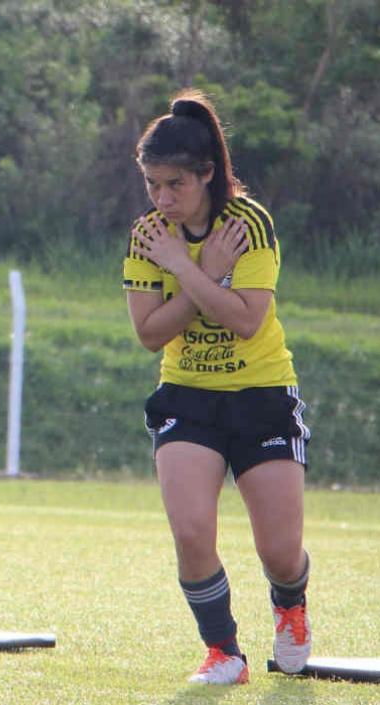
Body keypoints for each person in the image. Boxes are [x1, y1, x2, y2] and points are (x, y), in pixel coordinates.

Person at [124, 89, 312, 684]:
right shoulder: (148, 235)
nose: (162, 198)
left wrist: (182, 267)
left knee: (280, 554)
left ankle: (290, 609)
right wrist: (199, 273)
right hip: (187, 396)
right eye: (152, 184)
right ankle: (223, 651)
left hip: (261, 395)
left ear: (207, 174)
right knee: (190, 531)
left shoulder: (249, 224)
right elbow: (150, 333)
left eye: (175, 184)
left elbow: (246, 318)